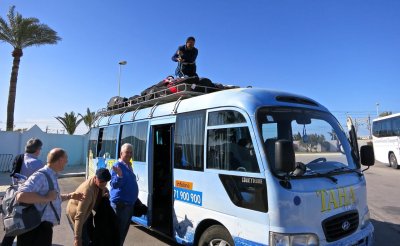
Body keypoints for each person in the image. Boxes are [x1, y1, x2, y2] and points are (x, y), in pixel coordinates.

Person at [15, 148, 84, 246]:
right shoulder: (41, 175)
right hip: (34, 228)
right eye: (66, 159)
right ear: (59, 160)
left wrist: (70, 196)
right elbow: (21, 196)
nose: (67, 161)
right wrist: (46, 198)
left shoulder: (51, 175)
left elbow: (52, 198)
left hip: (42, 227)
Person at [2, 138, 44, 246]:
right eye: (40, 149)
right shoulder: (38, 164)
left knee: (13, 225)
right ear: (37, 150)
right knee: (26, 228)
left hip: (14, 196)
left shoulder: (19, 157)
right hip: (28, 200)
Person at [66, 168, 111, 246]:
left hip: (87, 211)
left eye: (106, 182)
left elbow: (103, 187)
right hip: (76, 213)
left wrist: (106, 191)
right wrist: (77, 238)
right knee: (84, 241)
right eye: (101, 182)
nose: (103, 184)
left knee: (93, 237)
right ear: (95, 178)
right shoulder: (87, 192)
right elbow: (79, 216)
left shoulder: (98, 182)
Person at [110, 143, 139, 246]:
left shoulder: (128, 165)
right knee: (118, 234)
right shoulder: (118, 166)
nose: (129, 154)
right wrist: (119, 175)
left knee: (122, 233)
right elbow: (114, 184)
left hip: (128, 205)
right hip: (121, 205)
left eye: (131, 152)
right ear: (121, 153)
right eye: (127, 152)